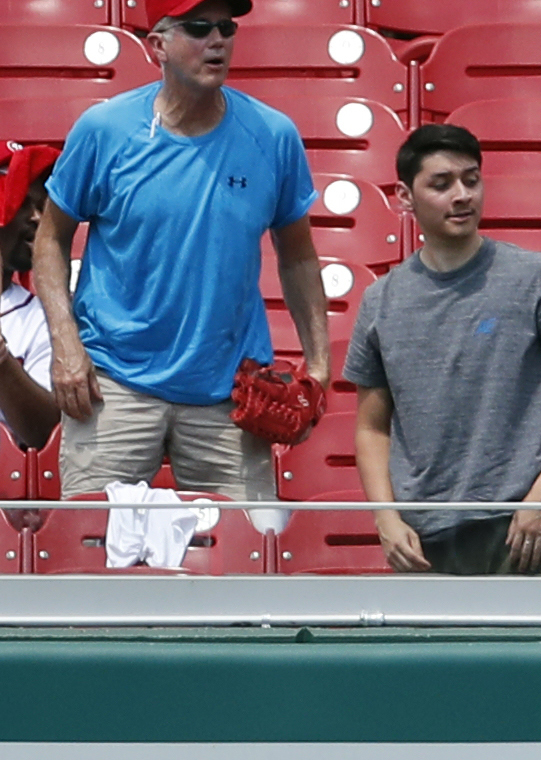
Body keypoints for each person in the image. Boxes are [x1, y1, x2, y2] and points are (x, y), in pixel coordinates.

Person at [32, 0, 329, 500]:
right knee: (95, 557)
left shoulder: (273, 136)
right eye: (198, 28)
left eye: (226, 28)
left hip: (230, 394)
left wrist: (318, 367)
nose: (217, 40)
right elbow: (50, 239)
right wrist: (65, 345)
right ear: (158, 46)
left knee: (241, 564)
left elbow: (298, 255)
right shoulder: (104, 130)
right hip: (114, 385)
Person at [345, 126, 541, 576]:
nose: (462, 195)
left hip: (532, 532)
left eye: (472, 179)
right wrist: (386, 517)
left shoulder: (536, 277)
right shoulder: (380, 301)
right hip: (429, 545)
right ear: (404, 197)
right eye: (441, 184)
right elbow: (372, 429)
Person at [0, 142, 60, 453]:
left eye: (43, 207)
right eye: (24, 203)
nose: (38, 218)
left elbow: (44, 436)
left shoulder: (38, 317)